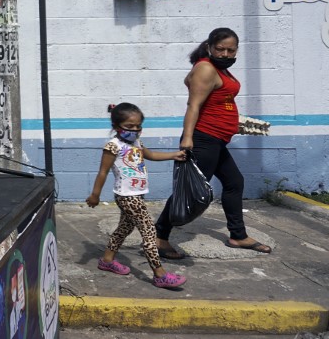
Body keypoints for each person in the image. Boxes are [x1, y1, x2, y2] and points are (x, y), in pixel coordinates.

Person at [154, 27, 272, 257]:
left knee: (234, 182)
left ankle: (238, 236)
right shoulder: (206, 68)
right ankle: (159, 237)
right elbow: (193, 106)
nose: (226, 54)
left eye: (231, 50)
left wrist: (236, 124)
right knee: (188, 192)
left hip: (217, 140)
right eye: (221, 49)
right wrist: (187, 138)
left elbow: (218, 104)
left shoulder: (221, 70)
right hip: (202, 139)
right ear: (209, 47)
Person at [86, 102, 188, 289]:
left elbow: (149, 154)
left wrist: (173, 155)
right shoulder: (113, 146)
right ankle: (160, 274)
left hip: (136, 195)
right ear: (116, 127)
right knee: (150, 232)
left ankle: (107, 260)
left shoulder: (136, 142)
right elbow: (103, 172)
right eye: (129, 127)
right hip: (127, 197)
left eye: (138, 126)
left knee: (124, 229)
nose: (135, 130)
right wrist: (95, 195)